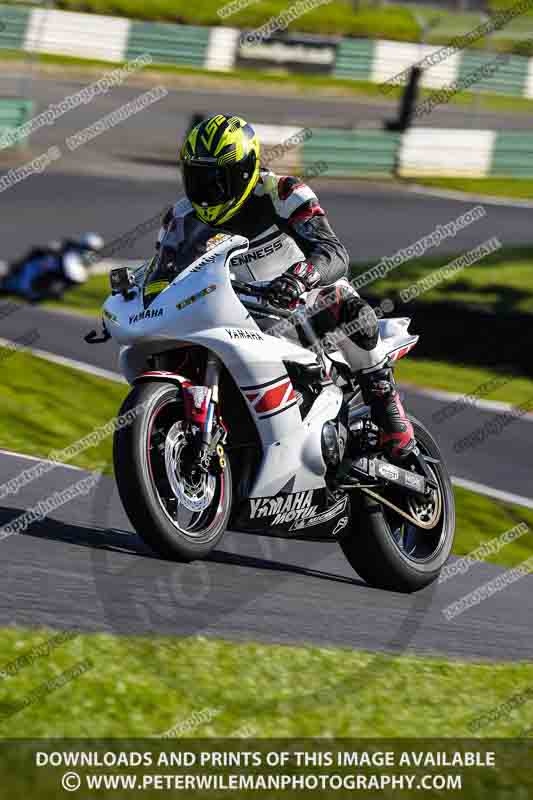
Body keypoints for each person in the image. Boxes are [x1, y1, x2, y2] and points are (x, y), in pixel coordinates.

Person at [155, 114, 414, 461]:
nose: (207, 190)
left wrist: (300, 277)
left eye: (218, 179)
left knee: (342, 303)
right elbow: (162, 275)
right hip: (233, 312)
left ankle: (388, 409)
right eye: (197, 177)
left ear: (246, 171)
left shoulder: (281, 193)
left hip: (300, 301)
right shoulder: (180, 219)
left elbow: (333, 251)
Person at [0, 232, 104, 302]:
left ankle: (18, 273)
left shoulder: (85, 253)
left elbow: (58, 248)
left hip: (67, 271)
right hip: (71, 274)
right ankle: (15, 270)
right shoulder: (86, 252)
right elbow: (57, 246)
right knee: (37, 253)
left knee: (38, 254)